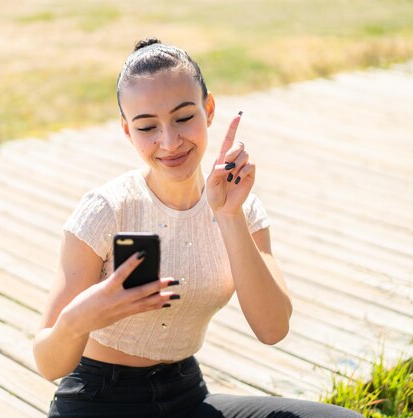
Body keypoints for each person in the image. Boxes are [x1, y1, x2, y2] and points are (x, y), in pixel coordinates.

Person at [32, 38, 363, 418]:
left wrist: (228, 215)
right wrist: (78, 320)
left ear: (208, 109)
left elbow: (272, 329)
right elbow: (47, 362)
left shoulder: (241, 207)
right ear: (127, 130)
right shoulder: (106, 209)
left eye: (183, 117)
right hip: (98, 400)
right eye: (147, 127)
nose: (169, 142)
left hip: (185, 395)